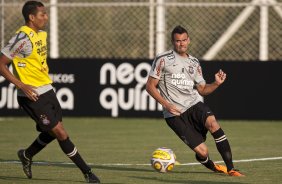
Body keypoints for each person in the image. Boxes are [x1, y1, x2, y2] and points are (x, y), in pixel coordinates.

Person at [0, 1, 100, 183]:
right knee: (60, 132)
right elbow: (1, 64)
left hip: (47, 90)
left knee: (52, 132)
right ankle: (88, 173)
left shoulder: (41, 35)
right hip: (31, 95)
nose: (46, 17)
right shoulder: (21, 38)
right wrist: (21, 85)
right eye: (42, 14)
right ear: (31, 17)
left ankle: (26, 154)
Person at [146, 25, 244, 177]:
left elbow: (202, 90)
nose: (181, 43)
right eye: (178, 41)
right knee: (203, 152)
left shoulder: (194, 62)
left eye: (184, 40)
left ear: (189, 40)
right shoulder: (163, 59)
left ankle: (231, 169)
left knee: (213, 123)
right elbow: (150, 86)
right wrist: (166, 104)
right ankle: (212, 165)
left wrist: (216, 83)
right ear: (173, 42)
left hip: (193, 105)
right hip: (174, 115)